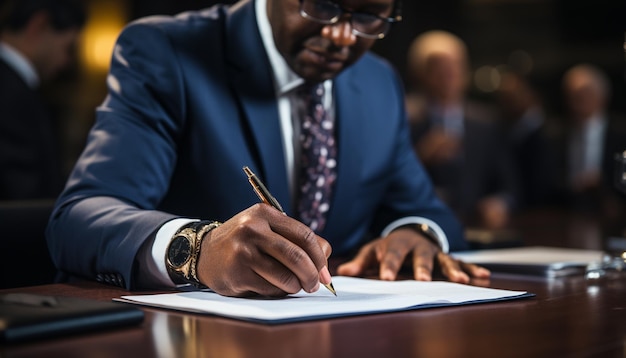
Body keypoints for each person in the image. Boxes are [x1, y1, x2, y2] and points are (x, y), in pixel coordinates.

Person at [46, 0, 489, 297]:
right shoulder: (167, 52)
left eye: (370, 16)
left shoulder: (378, 82)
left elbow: (430, 212)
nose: (343, 37)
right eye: (322, 5)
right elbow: (80, 217)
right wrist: (198, 249)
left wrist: (416, 234)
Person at [405, 30, 519, 230]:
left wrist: (499, 203)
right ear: (420, 73)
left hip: (476, 229)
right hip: (420, 228)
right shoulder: (404, 118)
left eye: (455, 66)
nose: (448, 75)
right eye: (438, 68)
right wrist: (421, 157)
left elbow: (508, 185)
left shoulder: (485, 121)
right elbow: (387, 184)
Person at [0, 0, 86, 200]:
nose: (67, 62)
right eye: (69, 47)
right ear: (40, 25)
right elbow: (23, 192)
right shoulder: (10, 91)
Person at [556, 64, 626, 217]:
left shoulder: (621, 133)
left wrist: (602, 185)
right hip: (568, 213)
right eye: (570, 96)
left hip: (613, 214)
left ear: (601, 95)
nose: (575, 103)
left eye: (581, 95)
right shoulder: (558, 135)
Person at [495, 70, 557, 209]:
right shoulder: (506, 130)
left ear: (531, 95)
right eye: (504, 97)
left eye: (513, 96)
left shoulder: (551, 134)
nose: (507, 102)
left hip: (545, 212)